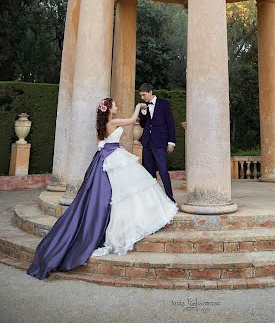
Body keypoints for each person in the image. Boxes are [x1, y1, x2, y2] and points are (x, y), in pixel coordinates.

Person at [27, 98, 178, 279]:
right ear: (108, 109)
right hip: (114, 157)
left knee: (121, 193)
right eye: (114, 105)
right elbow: (131, 121)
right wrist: (138, 106)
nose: (116, 106)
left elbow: (102, 143)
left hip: (108, 155)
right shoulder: (112, 122)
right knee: (128, 191)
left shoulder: (102, 125)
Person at [137, 83, 176, 202]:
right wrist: (143, 113)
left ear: (150, 92)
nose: (142, 98)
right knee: (149, 172)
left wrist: (171, 142)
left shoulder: (164, 104)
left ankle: (170, 198)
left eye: (144, 95)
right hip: (147, 143)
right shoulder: (144, 107)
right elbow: (143, 124)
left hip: (160, 143)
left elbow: (170, 123)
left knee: (163, 171)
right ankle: (153, 200)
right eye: (141, 95)